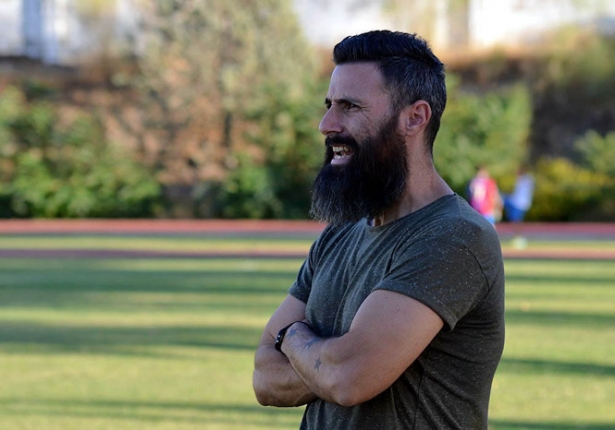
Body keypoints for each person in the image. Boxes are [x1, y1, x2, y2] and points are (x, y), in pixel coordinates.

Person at [252, 30, 505, 430]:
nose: (326, 124)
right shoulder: (338, 234)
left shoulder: (454, 237)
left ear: (415, 117)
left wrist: (293, 337)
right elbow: (264, 378)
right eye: (329, 105)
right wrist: (326, 362)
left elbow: (349, 378)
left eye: (350, 106)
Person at [504, 166, 535, 248]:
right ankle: (517, 236)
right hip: (519, 203)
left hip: (519, 203)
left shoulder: (524, 180)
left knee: (516, 221)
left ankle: (518, 237)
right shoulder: (525, 180)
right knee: (516, 220)